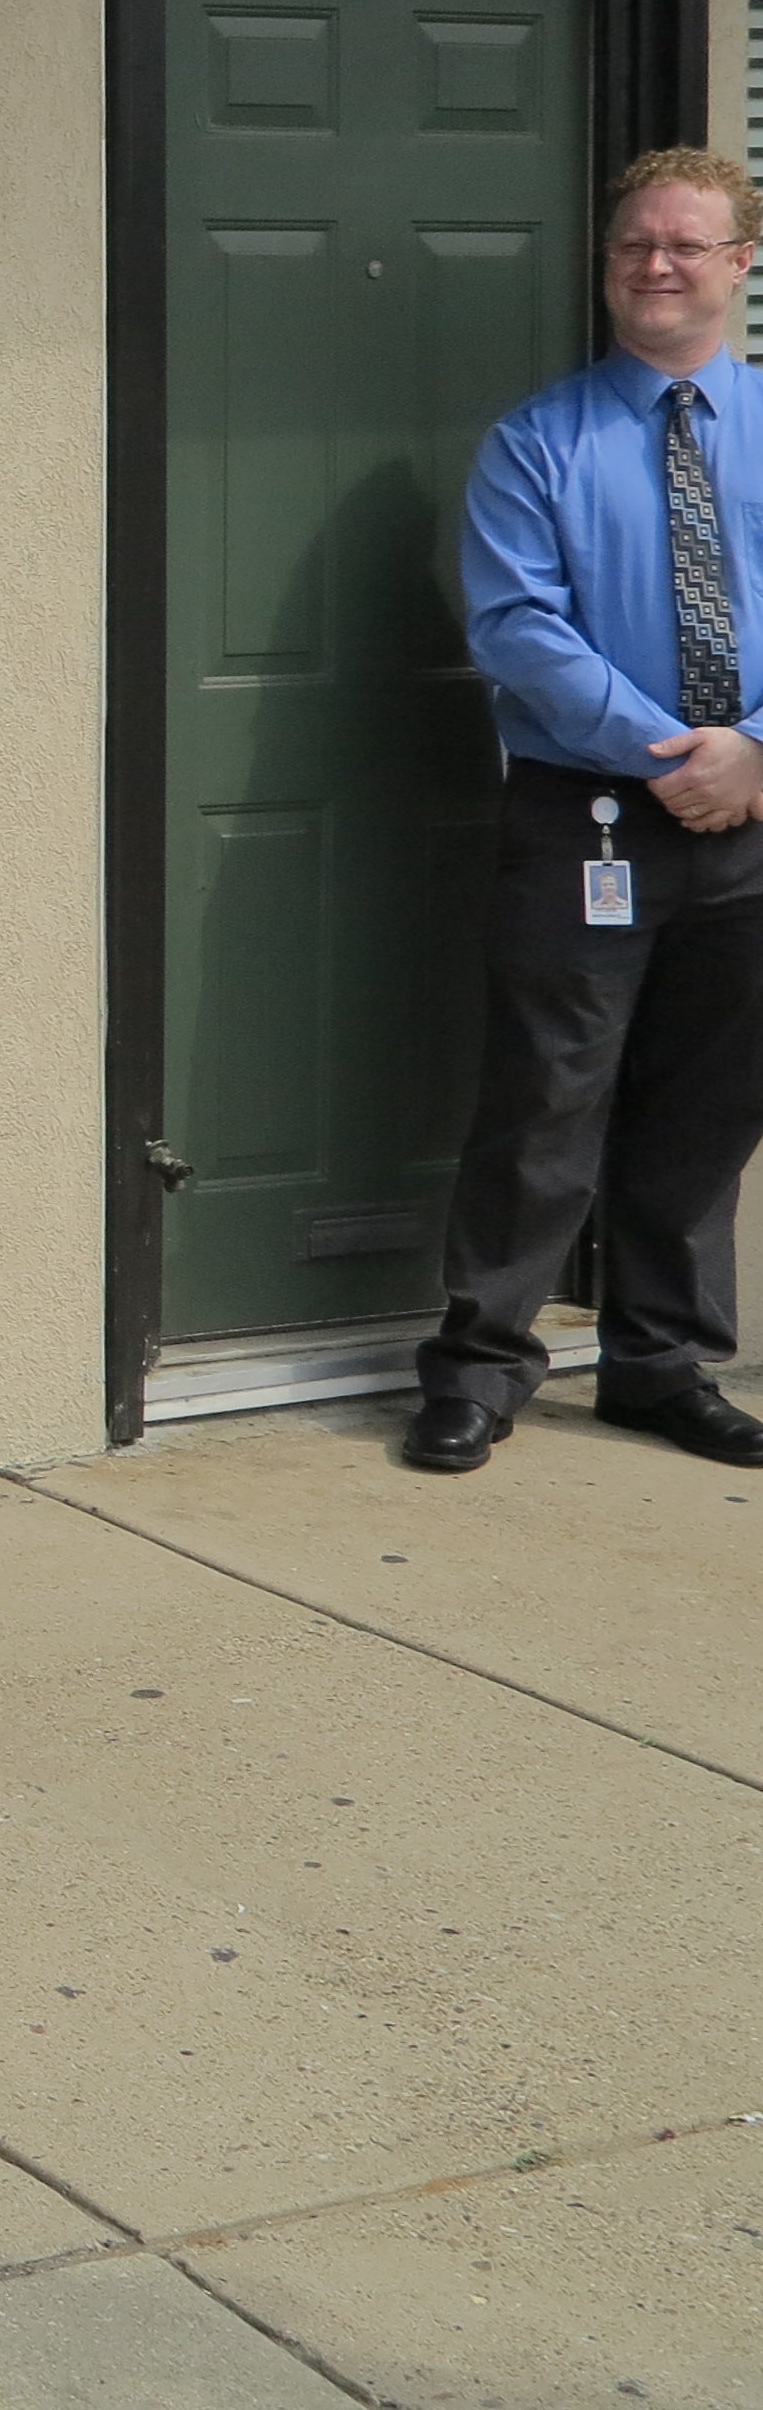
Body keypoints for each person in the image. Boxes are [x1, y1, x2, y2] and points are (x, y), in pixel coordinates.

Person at [406, 147, 763, 1476]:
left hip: (758, 821)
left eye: (685, 245)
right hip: (589, 821)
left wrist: (756, 756)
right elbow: (516, 628)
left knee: (708, 1108)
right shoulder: (538, 443)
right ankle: (482, 1367)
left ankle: (660, 1368)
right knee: (546, 1098)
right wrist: (677, 753)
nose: (655, 265)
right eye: (634, 245)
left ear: (740, 264)